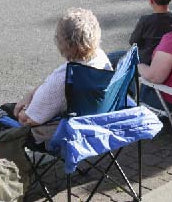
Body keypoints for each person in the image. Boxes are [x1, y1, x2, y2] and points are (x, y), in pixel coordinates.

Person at [12, 9, 112, 143]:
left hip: (65, 133)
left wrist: (22, 107)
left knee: (3, 113)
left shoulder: (62, 80)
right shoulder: (100, 57)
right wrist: (31, 94)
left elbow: (27, 120)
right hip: (96, 120)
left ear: (63, 43)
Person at [121, 0, 172, 65]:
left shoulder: (145, 21)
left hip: (146, 63)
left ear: (150, 0)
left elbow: (133, 42)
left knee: (113, 56)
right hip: (170, 62)